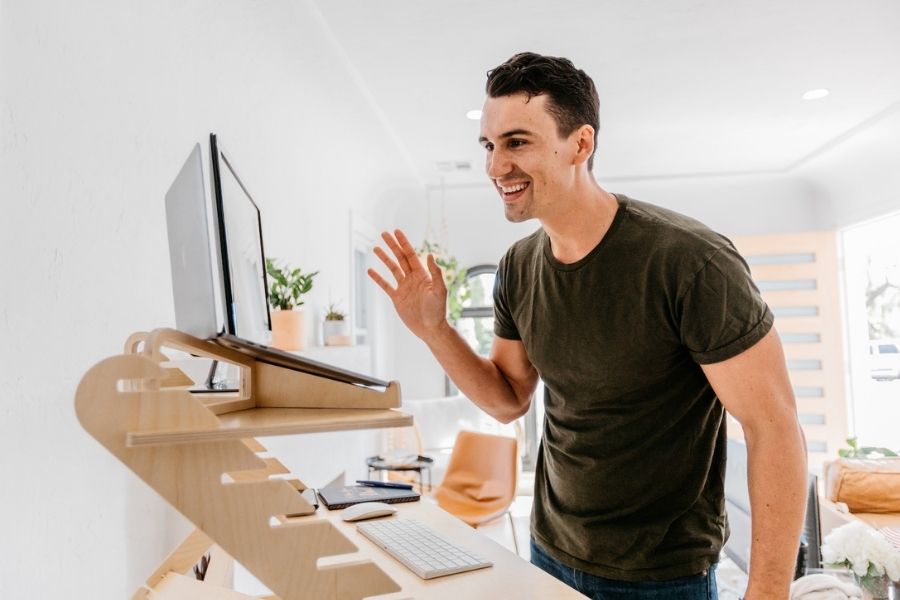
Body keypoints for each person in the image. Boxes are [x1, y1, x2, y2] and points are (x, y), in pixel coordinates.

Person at [369, 52, 807, 600]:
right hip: (550, 552)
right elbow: (508, 399)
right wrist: (433, 329)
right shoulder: (518, 268)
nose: (495, 166)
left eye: (517, 142)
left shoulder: (689, 261)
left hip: (662, 578)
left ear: (581, 144)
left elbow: (775, 427)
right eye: (489, 145)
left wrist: (768, 591)